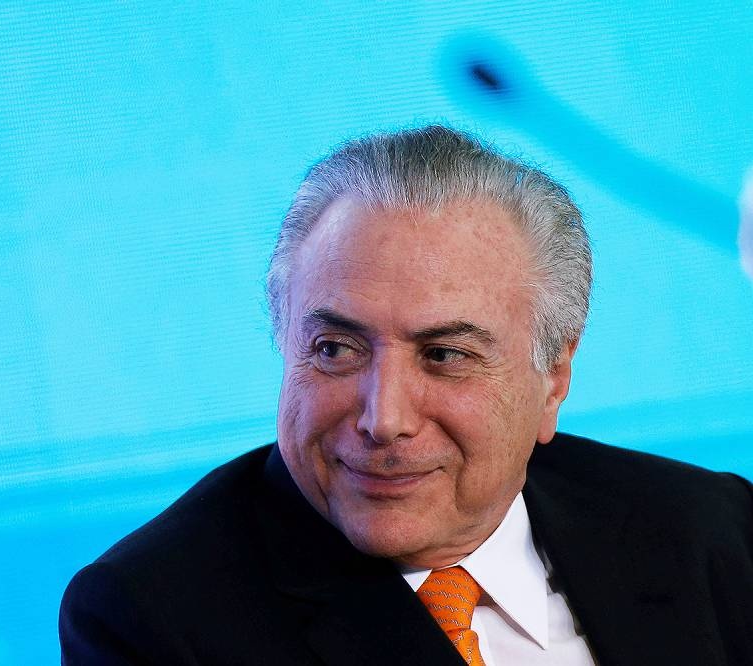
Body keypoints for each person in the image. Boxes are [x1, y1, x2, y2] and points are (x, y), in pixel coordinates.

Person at [59, 127, 753, 665]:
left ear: (554, 379)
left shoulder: (708, 532)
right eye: (336, 350)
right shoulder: (152, 618)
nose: (383, 419)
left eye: (445, 356)